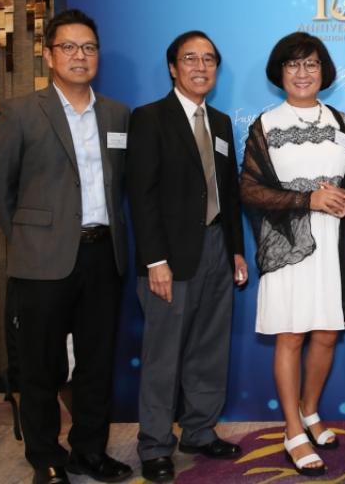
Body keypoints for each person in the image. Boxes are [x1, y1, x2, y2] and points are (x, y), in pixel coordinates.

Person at [0, 9, 132, 484]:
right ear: (49, 55)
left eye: (88, 47)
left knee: (97, 362)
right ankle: (45, 457)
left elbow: (121, 184)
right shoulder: (22, 111)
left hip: (103, 255)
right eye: (68, 47)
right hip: (41, 259)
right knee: (40, 366)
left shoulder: (116, 113)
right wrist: (28, 237)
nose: (79, 56)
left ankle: (90, 450)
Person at [240, 32, 345, 477]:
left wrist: (344, 197)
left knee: (327, 332)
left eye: (311, 63)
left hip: (334, 243)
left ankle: (311, 409)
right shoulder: (266, 124)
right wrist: (307, 201)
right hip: (287, 246)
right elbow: (250, 189)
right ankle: (293, 428)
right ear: (280, 72)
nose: (302, 72)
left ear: (324, 71)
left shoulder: (342, 123)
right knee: (291, 335)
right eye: (293, 64)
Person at [126, 30, 248, 483]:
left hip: (217, 247)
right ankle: (155, 445)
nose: (201, 67)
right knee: (163, 356)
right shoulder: (150, 118)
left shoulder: (219, 123)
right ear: (173, 67)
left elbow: (228, 193)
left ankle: (198, 430)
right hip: (171, 258)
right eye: (190, 59)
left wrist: (236, 248)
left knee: (209, 349)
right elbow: (141, 194)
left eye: (209, 59)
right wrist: (154, 260)